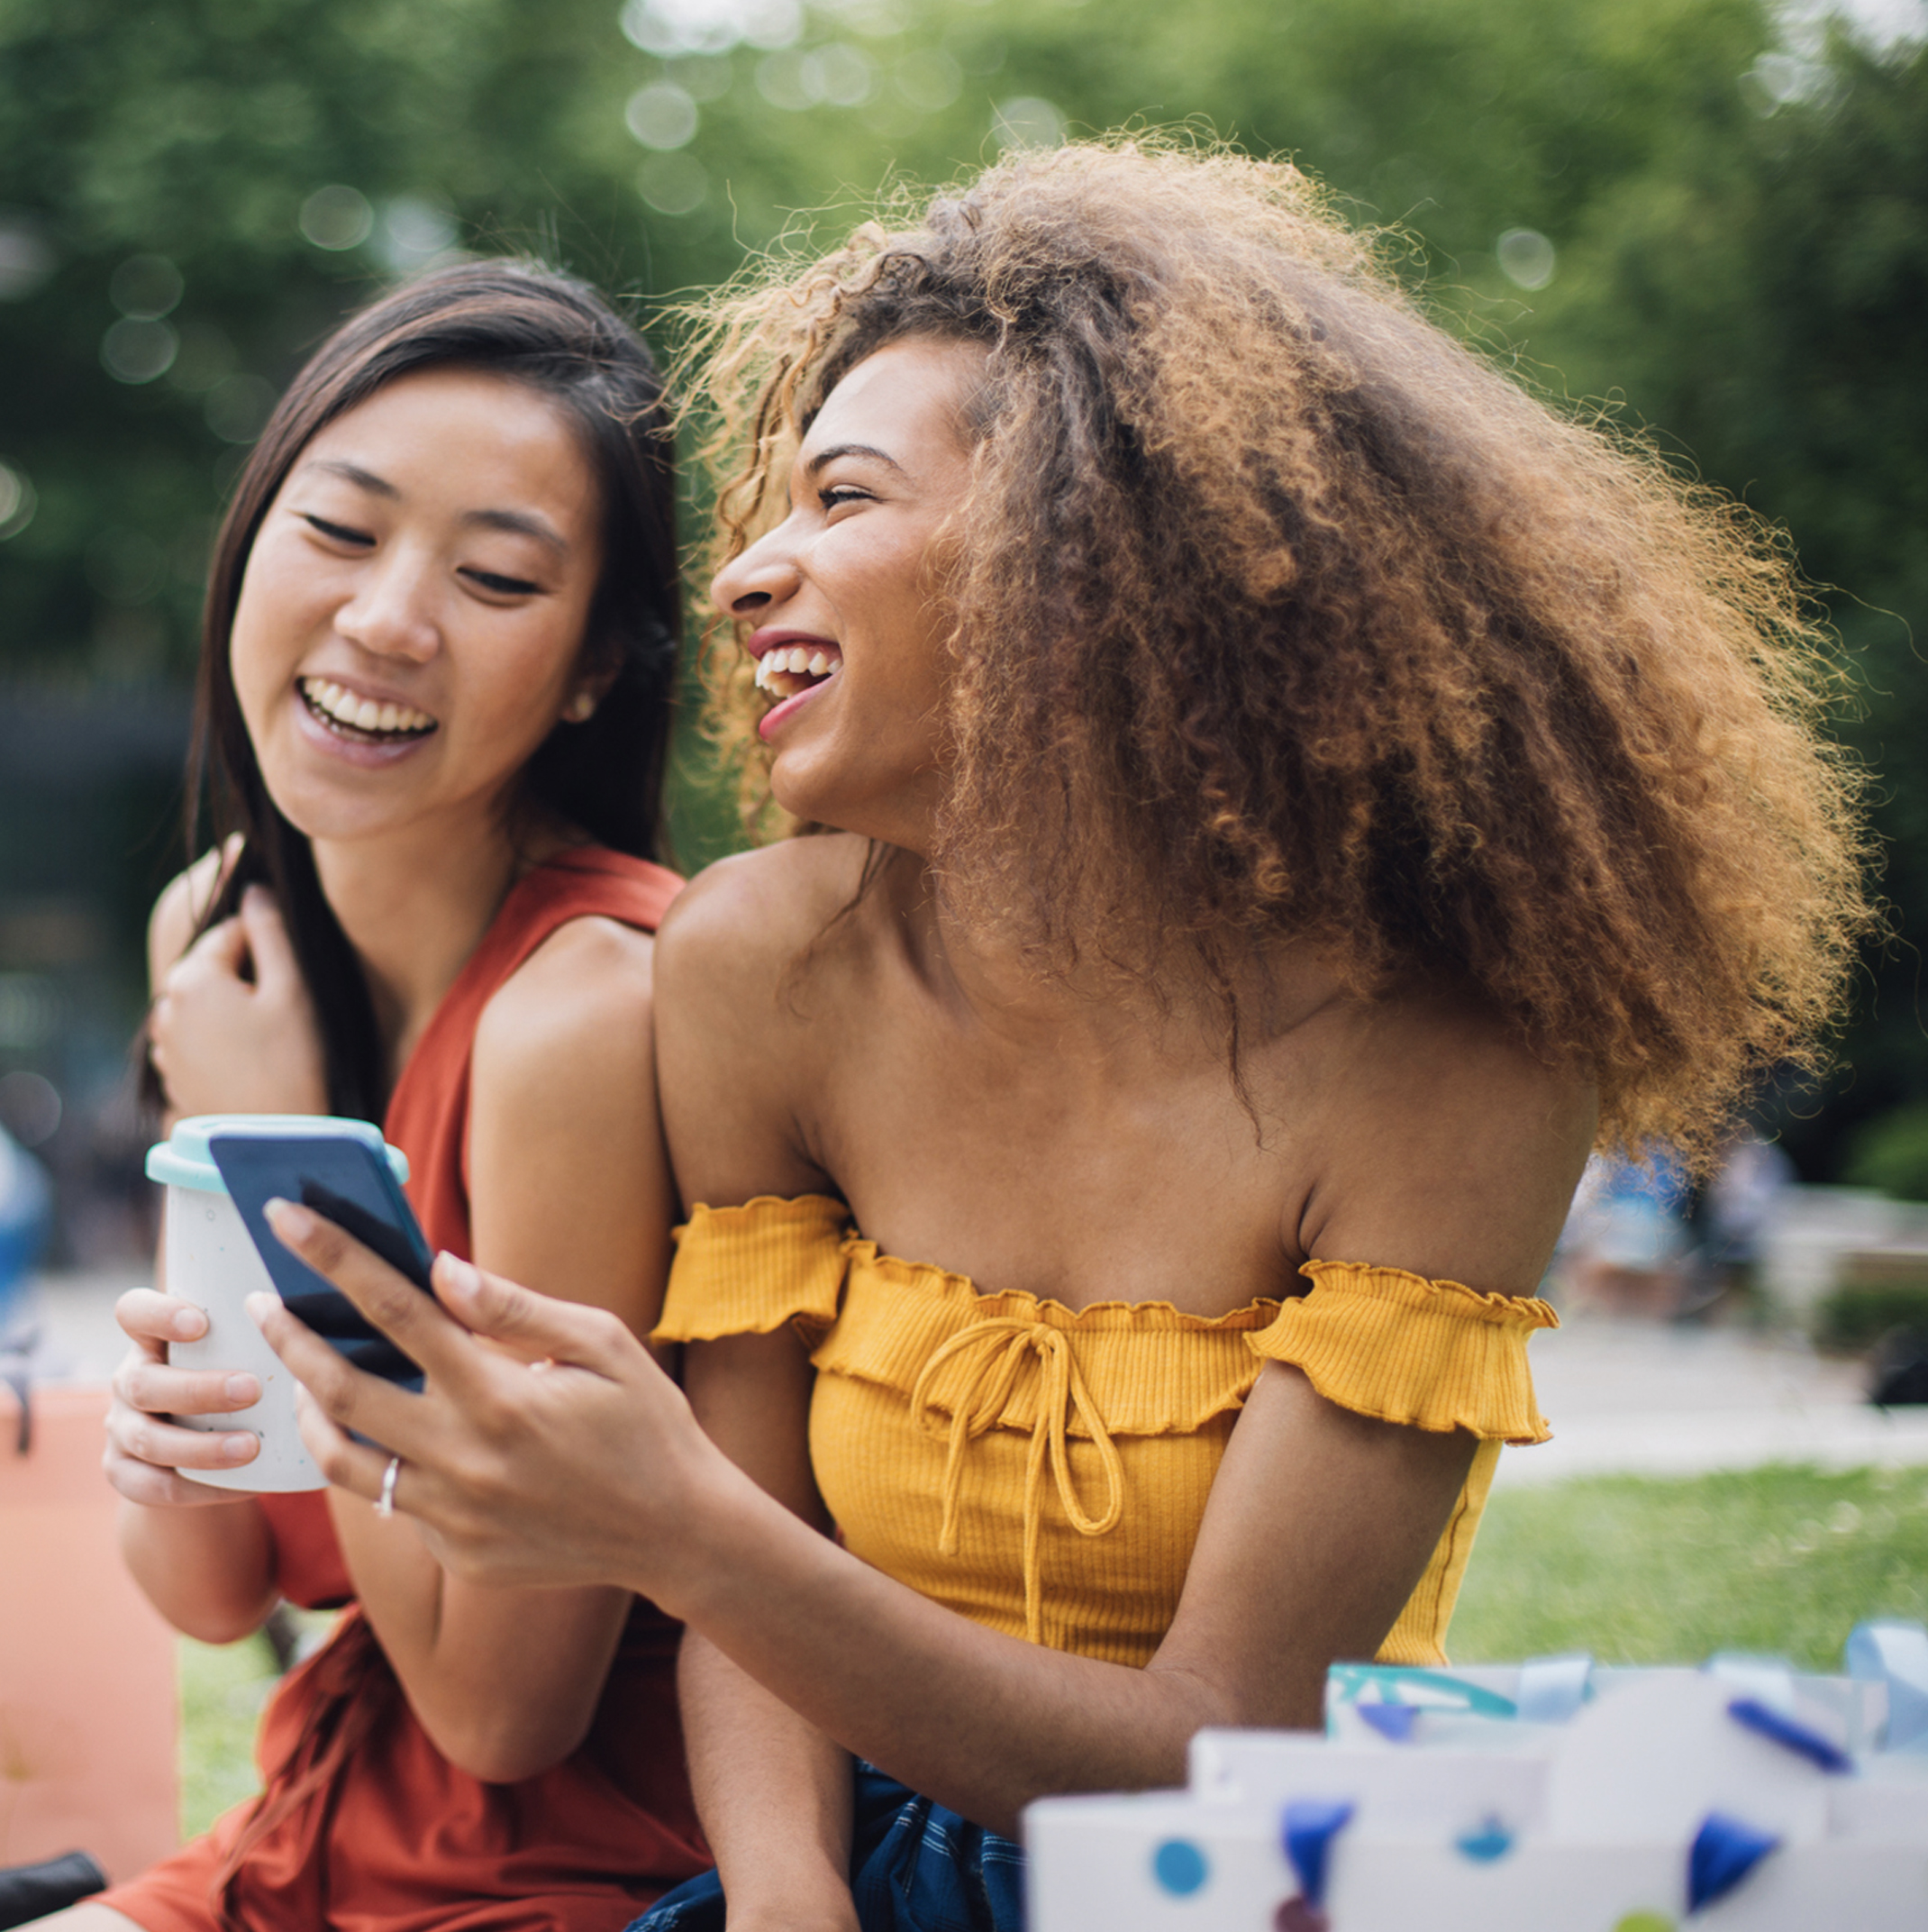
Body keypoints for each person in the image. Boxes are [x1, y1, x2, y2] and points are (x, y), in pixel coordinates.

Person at [248, 141, 1868, 1932]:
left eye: (841, 498)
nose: (742, 575)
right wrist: (789, 1900)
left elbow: (1218, 1742)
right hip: (824, 1859)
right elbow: (752, 1620)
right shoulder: (756, 963)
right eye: (764, 510)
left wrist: (680, 1527)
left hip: (1229, 1879)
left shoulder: (1452, 1057)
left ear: (1088, 558)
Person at [50, 261, 706, 1932]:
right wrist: (168, 1450)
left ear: (589, 674)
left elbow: (503, 1710)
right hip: (311, 1828)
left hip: (558, 1876)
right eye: (339, 533)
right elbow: (215, 1594)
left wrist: (287, 1197)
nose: (388, 619)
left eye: (494, 576)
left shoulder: (586, 1011)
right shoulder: (218, 942)